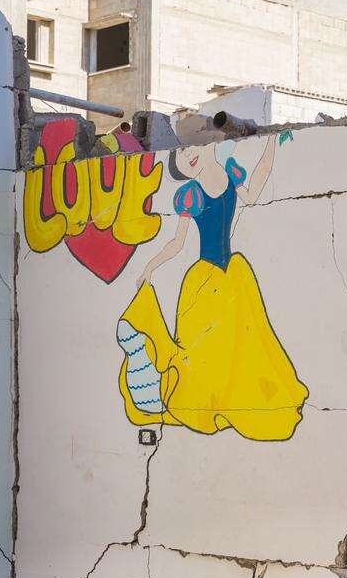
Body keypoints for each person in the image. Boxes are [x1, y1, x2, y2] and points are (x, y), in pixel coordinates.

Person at [116, 134, 308, 441]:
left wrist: (270, 143)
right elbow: (177, 242)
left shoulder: (232, 174)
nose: (187, 156)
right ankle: (162, 378)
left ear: (209, 144)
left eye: (188, 148)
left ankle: (232, 400)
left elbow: (254, 192)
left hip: (233, 277)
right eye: (180, 155)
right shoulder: (190, 194)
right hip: (204, 282)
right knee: (199, 351)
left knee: (242, 346)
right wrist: (150, 266)